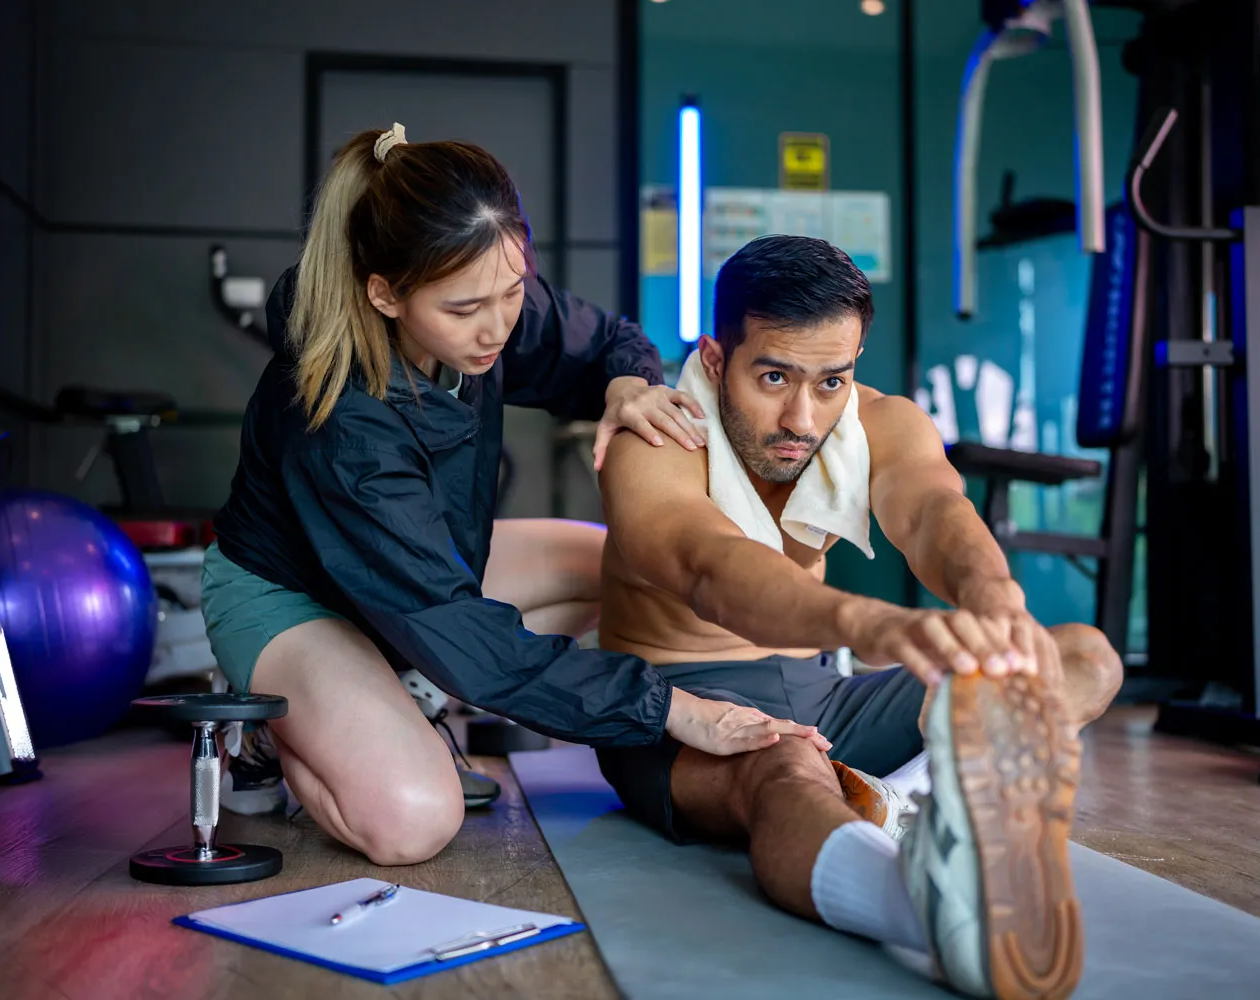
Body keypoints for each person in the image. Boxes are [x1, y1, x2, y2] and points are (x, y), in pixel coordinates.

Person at [200, 125, 829, 868]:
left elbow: (606, 340)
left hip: (416, 581)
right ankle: (269, 733)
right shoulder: (342, 421)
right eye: (465, 310)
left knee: (625, 566)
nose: (497, 325)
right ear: (384, 293)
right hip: (294, 597)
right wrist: (675, 712)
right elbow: (464, 632)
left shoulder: (481, 301)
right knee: (412, 820)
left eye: (511, 290)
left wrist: (627, 383)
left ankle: (393, 691)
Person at [594, 235, 1124, 999]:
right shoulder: (656, 440)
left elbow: (935, 511)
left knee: (1081, 657)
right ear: (715, 360)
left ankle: (909, 800)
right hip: (679, 710)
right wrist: (876, 627)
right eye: (773, 376)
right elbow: (714, 569)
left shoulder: (878, 420)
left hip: (824, 693)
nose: (801, 418)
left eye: (831, 381)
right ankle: (924, 904)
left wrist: (996, 606)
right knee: (784, 770)